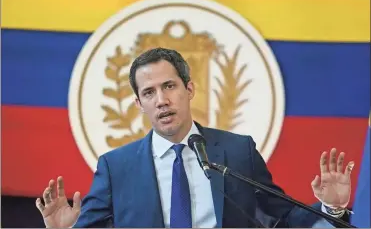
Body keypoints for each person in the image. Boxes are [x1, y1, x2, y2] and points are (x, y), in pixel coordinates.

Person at [36, 47, 355, 228]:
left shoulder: (237, 151)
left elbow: (281, 219)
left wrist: (331, 209)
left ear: (189, 89)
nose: (161, 100)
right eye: (149, 92)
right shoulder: (115, 167)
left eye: (169, 87)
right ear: (139, 104)